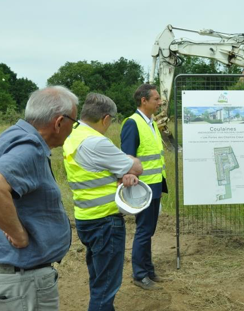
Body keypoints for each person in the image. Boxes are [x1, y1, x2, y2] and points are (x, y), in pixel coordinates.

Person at [0, 86, 78, 310]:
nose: (73, 129)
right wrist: (17, 233)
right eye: (73, 122)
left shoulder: (13, 134)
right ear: (59, 122)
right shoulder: (31, 150)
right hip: (22, 280)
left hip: (8, 273)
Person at [63, 93, 143, 310]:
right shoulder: (97, 142)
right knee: (106, 287)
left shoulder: (73, 136)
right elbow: (137, 168)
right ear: (106, 119)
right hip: (106, 222)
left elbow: (96, 171)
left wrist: (118, 173)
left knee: (99, 280)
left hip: (85, 218)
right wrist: (125, 167)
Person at [120, 84, 168, 290]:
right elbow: (128, 159)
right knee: (143, 230)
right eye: (156, 99)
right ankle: (140, 274)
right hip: (144, 188)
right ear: (144, 101)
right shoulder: (133, 123)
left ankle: (148, 269)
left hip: (155, 184)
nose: (160, 102)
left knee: (149, 230)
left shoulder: (152, 123)